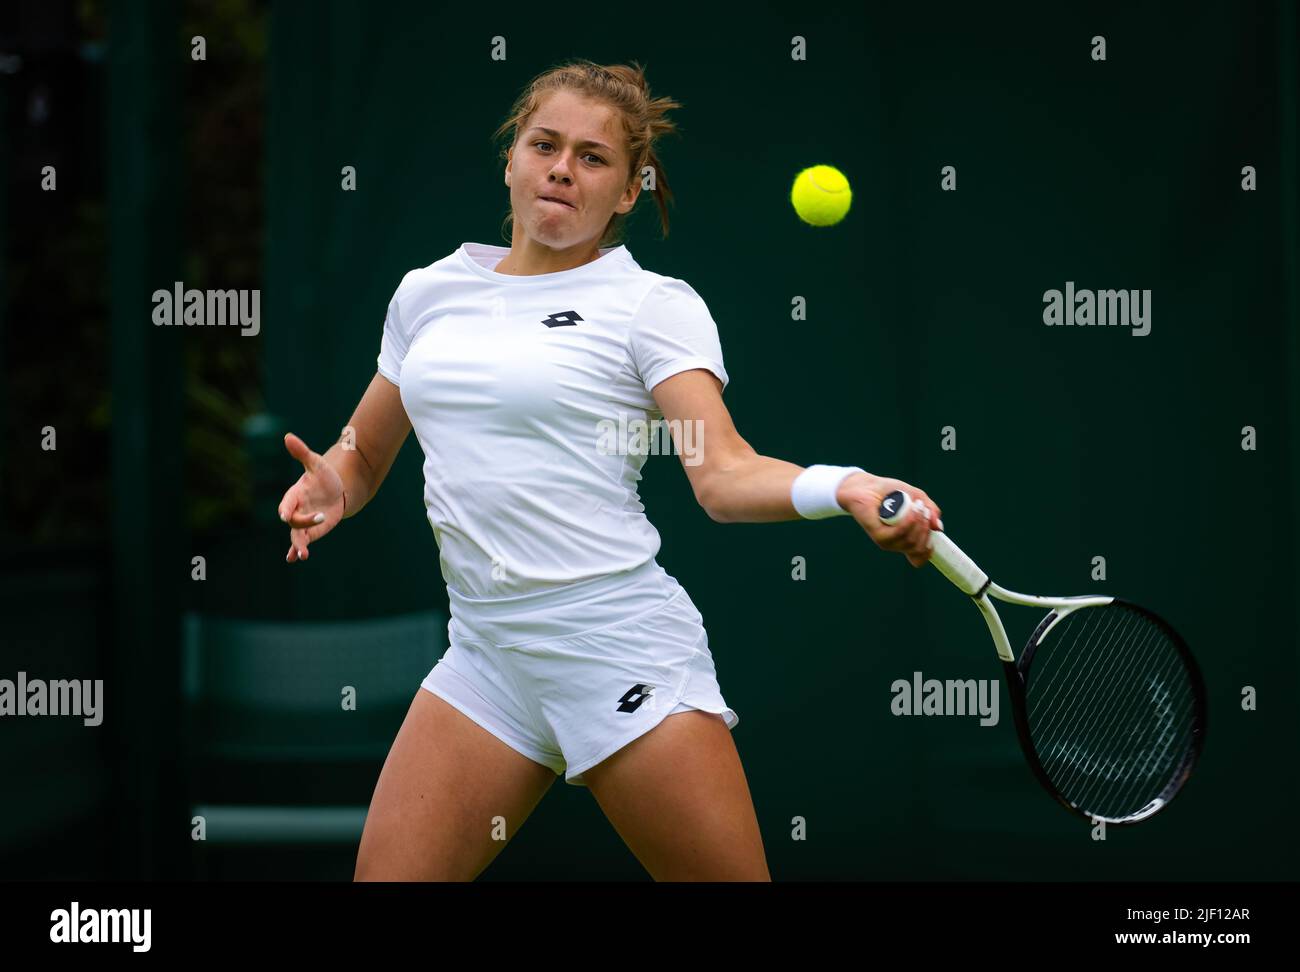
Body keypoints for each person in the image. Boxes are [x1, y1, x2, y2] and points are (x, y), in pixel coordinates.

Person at [275, 59, 942, 882]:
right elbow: (367, 449)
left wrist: (843, 486)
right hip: (485, 656)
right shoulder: (426, 295)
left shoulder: (651, 306)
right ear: (512, 159)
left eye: (593, 157)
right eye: (544, 144)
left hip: (616, 645)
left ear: (629, 192)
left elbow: (723, 474)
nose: (562, 167)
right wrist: (334, 483)